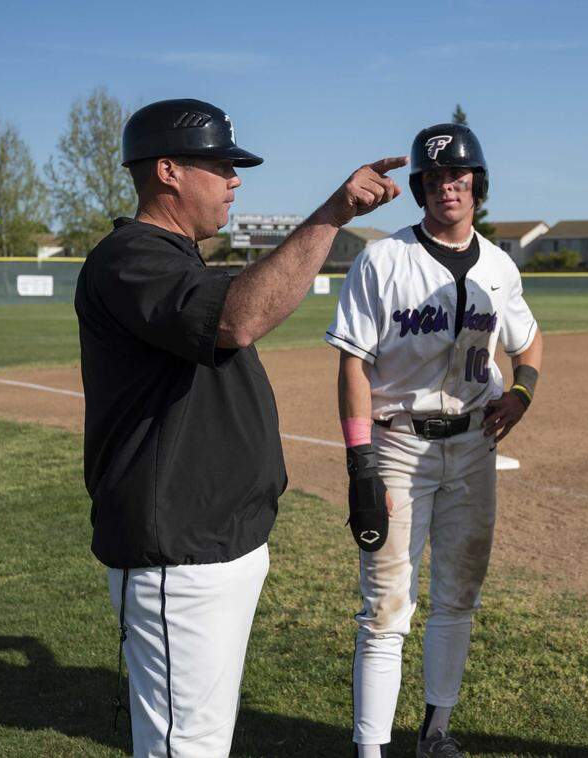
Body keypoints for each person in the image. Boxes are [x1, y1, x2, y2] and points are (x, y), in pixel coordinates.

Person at [75, 98, 405, 757]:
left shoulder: (177, 262)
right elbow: (238, 319)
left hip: (218, 545)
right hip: (179, 552)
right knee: (184, 747)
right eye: (221, 164)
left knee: (202, 741)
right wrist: (332, 214)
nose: (236, 179)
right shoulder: (130, 258)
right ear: (167, 170)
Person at [326, 122, 543, 758]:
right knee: (385, 605)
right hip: (398, 445)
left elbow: (528, 342)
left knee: (457, 595)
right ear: (420, 187)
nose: (448, 185)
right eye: (435, 177)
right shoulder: (383, 259)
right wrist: (360, 461)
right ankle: (371, 750)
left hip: (474, 446)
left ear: (477, 183)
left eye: (459, 175)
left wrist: (522, 392)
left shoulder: (499, 266)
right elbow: (352, 365)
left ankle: (435, 734)